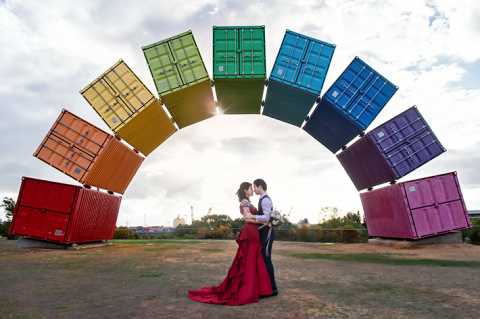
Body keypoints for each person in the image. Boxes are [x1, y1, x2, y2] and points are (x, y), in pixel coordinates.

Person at [187, 182, 272, 306]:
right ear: (245, 190)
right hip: (250, 231)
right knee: (250, 259)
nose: (252, 190)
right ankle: (249, 289)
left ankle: (257, 289)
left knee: (253, 259)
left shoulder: (247, 201)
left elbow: (250, 217)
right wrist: (265, 222)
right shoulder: (244, 202)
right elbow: (247, 218)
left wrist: (264, 221)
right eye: (250, 188)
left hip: (253, 231)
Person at [244, 178, 278, 296]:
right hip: (263, 233)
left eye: (254, 187)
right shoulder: (261, 199)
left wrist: (252, 216)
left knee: (266, 259)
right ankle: (266, 287)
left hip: (268, 233)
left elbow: (267, 218)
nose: (253, 189)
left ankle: (273, 288)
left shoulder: (265, 200)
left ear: (260, 186)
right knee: (263, 259)